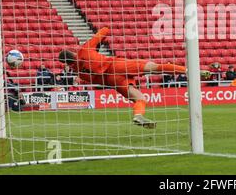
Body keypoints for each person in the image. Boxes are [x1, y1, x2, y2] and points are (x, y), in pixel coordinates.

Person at [58, 27, 186, 129]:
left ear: (67, 63)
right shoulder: (84, 49)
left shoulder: (80, 73)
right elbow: (104, 30)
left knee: (140, 98)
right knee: (153, 67)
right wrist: (100, 38)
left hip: (112, 81)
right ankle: (188, 71)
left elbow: (95, 80)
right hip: (116, 66)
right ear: (72, 52)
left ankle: (138, 115)